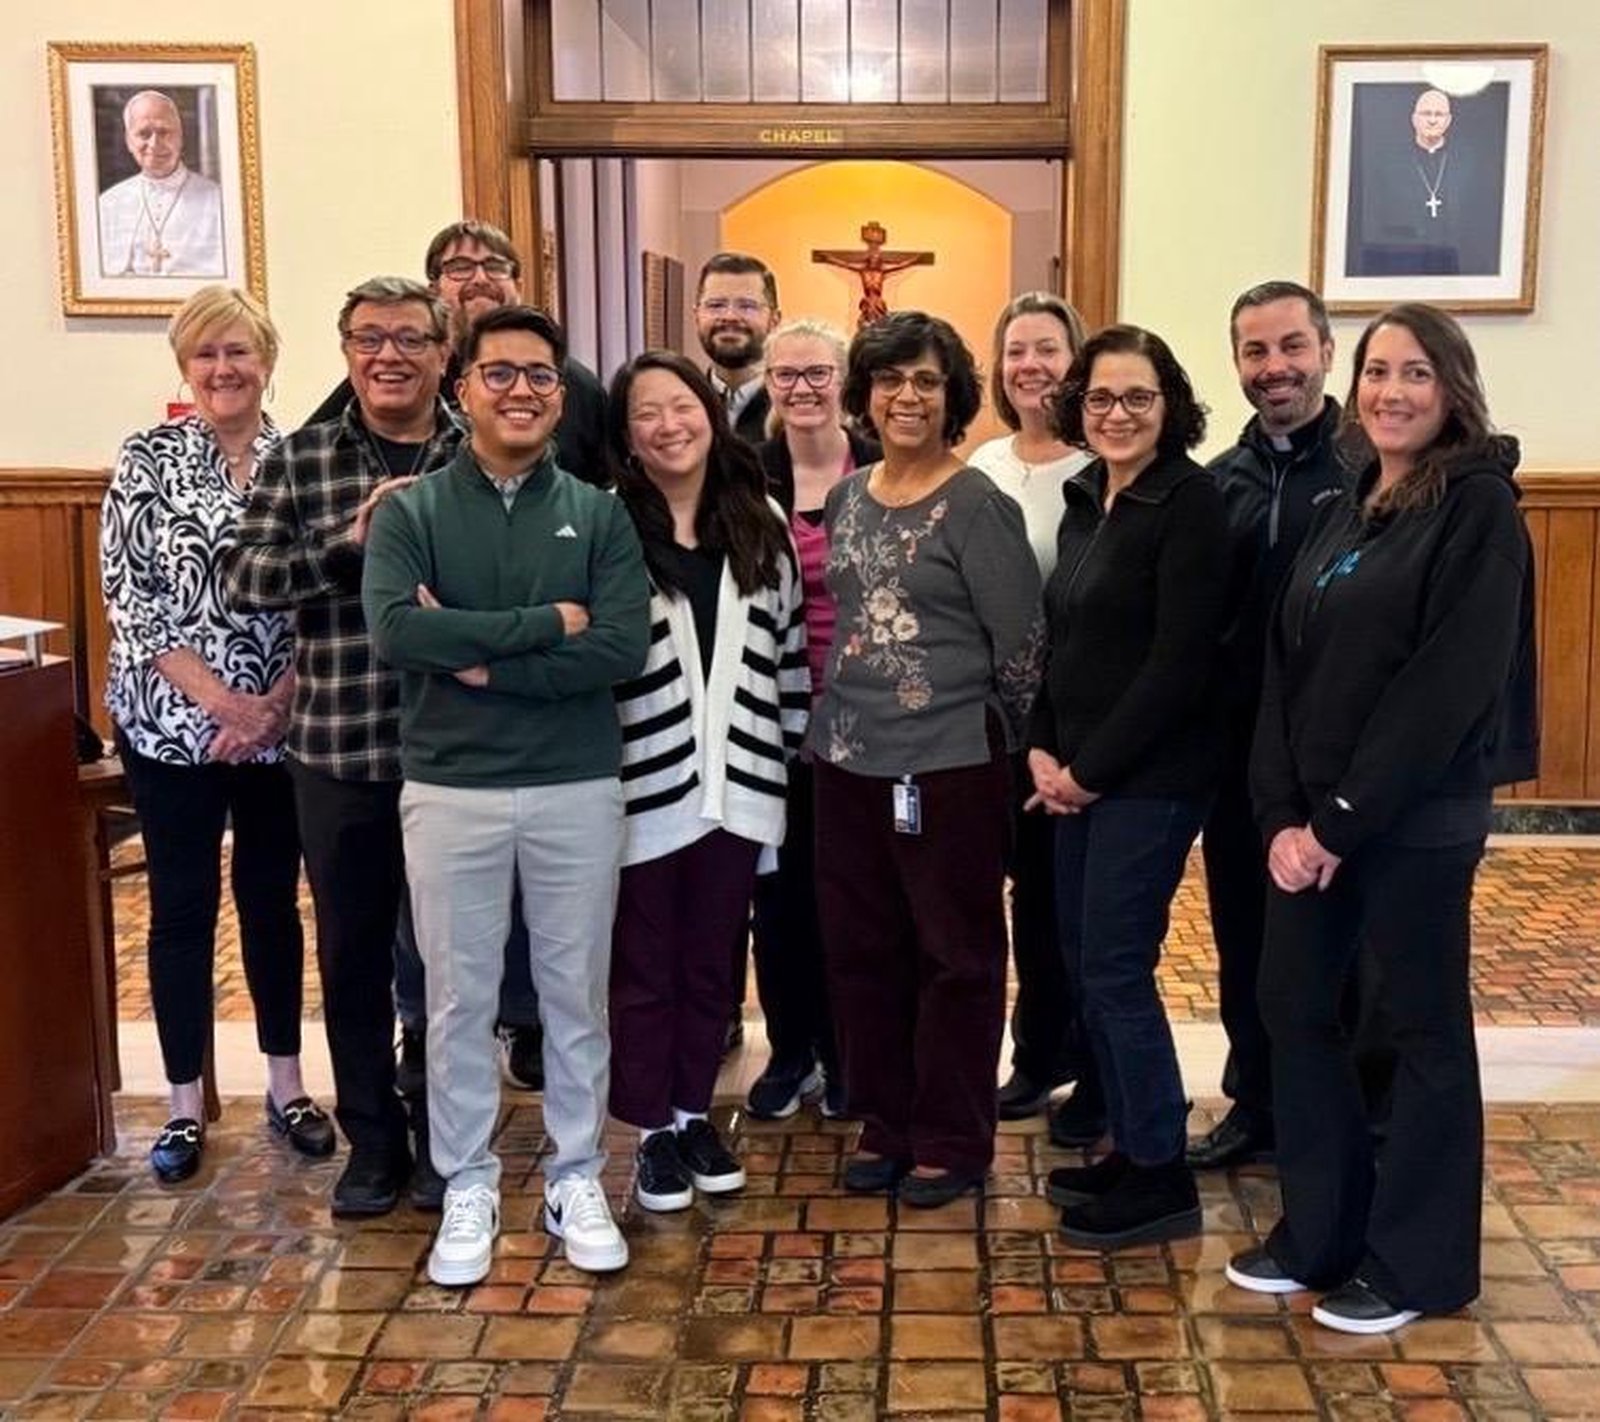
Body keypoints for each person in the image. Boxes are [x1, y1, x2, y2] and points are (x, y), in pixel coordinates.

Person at [1227, 303, 1536, 1335]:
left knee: (1417, 1034)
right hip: (1309, 829)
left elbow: (1446, 688)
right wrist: (1282, 814)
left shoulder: (1478, 508)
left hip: (1410, 825)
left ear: (1452, 389)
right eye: (1375, 371)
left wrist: (1339, 823)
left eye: (1414, 373)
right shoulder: (1349, 501)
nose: (1390, 391)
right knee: (1296, 1012)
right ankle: (1318, 1234)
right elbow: (1283, 664)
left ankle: (1415, 1265)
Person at [363, 305, 649, 1283]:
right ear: (462, 390)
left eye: (539, 375)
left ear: (559, 397)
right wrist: (544, 624)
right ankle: (469, 1181)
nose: (520, 390)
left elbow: (618, 647)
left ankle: (577, 1175)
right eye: (500, 373)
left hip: (577, 784)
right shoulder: (411, 513)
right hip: (452, 789)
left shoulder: (601, 513)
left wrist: (481, 659)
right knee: (458, 1000)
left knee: (574, 996)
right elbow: (400, 633)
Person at [304, 221, 603, 1095]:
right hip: (363, 725)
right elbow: (398, 627)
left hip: (522, 726)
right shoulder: (329, 443)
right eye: (456, 267)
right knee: (409, 922)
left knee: (530, 906)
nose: (474, 278)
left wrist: (497, 641)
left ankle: (527, 1025)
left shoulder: (539, 418)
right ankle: (415, 1064)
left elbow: (587, 578)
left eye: (490, 265)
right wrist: (541, 622)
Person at [223, 276, 462, 1218]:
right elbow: (243, 579)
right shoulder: (303, 458)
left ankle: (445, 1136)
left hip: (457, 752)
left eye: (410, 338)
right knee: (354, 958)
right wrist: (349, 550)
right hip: (339, 749)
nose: (389, 355)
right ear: (347, 351)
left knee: (450, 965)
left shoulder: (476, 452)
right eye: (370, 338)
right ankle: (373, 1142)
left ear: (443, 352)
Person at [809, 311, 1044, 1209]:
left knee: (956, 957)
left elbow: (1021, 647)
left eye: (926, 381)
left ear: (954, 397)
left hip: (948, 767)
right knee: (862, 951)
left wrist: (1001, 747)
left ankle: (951, 1136)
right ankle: (887, 1121)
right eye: (889, 379)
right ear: (865, 394)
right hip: (846, 761)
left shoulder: (979, 505)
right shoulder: (847, 497)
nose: (906, 396)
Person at [100, 285, 332, 1183]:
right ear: (184, 366)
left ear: (267, 361)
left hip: (283, 723)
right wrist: (224, 705)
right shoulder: (147, 459)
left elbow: (326, 598)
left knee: (272, 904)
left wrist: (271, 705)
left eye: (238, 351)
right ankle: (184, 1103)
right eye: (206, 353)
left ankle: (287, 1085)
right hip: (171, 726)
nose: (223, 368)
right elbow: (133, 603)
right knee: (183, 909)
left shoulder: (300, 458)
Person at [1028, 325, 1227, 1250]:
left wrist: (1088, 772)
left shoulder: (1191, 502)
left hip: (1151, 782)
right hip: (1077, 775)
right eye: (1101, 397)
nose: (1117, 413)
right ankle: (1126, 1140)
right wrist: (1042, 749)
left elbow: (1180, 664)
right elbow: (1060, 639)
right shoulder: (1086, 496)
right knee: (1082, 960)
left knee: (1114, 967)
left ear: (1169, 404)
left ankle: (1160, 1175)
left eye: (1137, 397)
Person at [606, 351, 810, 1212]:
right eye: (646, 413)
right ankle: (650, 1131)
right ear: (626, 437)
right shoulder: (609, 526)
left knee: (712, 969)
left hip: (744, 785)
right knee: (643, 970)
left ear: (710, 414)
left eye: (682, 405)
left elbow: (789, 654)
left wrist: (785, 754)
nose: (669, 425)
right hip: (641, 788)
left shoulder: (760, 520)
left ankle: (694, 1113)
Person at [1188, 281, 1350, 1171]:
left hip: (1339, 759)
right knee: (1244, 935)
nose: (1274, 367)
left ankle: (1343, 1116)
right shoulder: (1221, 482)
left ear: (1326, 349)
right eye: (1256, 351)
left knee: (1341, 947)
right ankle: (1255, 1101)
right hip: (1241, 761)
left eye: (1291, 346)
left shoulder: (1369, 469)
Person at [967, 292, 1097, 1132]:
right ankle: (1034, 1052)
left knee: (1064, 905)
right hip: (991, 725)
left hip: (1072, 725)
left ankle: (1070, 1059)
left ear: (1075, 359)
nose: (1031, 366)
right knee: (1017, 902)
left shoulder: (1099, 463)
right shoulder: (982, 464)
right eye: (1016, 350)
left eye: (1048, 349)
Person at [744, 318, 879, 1121]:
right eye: (786, 374)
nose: (803, 388)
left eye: (818, 372)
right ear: (768, 383)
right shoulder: (744, 473)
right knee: (782, 900)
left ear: (844, 379)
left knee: (856, 898)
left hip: (868, 720)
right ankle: (792, 1048)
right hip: (773, 721)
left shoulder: (880, 466)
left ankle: (850, 1049)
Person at [1348, 87, 1503, 278]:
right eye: (1426, 114)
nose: (1432, 120)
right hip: (1403, 260)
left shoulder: (1467, 160)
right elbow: (1375, 217)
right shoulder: (1390, 161)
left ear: (1448, 121)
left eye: (1439, 114)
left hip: (1456, 261)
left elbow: (1478, 217)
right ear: (1414, 119)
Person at [97, 91, 224, 278]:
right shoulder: (108, 203)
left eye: (164, 132)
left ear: (180, 137)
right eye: (143, 134)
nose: (155, 144)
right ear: (129, 141)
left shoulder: (219, 202)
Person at [695, 252, 782, 447]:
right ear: (697, 315)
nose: (730, 317)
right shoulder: (684, 405)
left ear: (774, 320)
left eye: (747, 306)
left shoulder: (793, 410)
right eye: (716, 305)